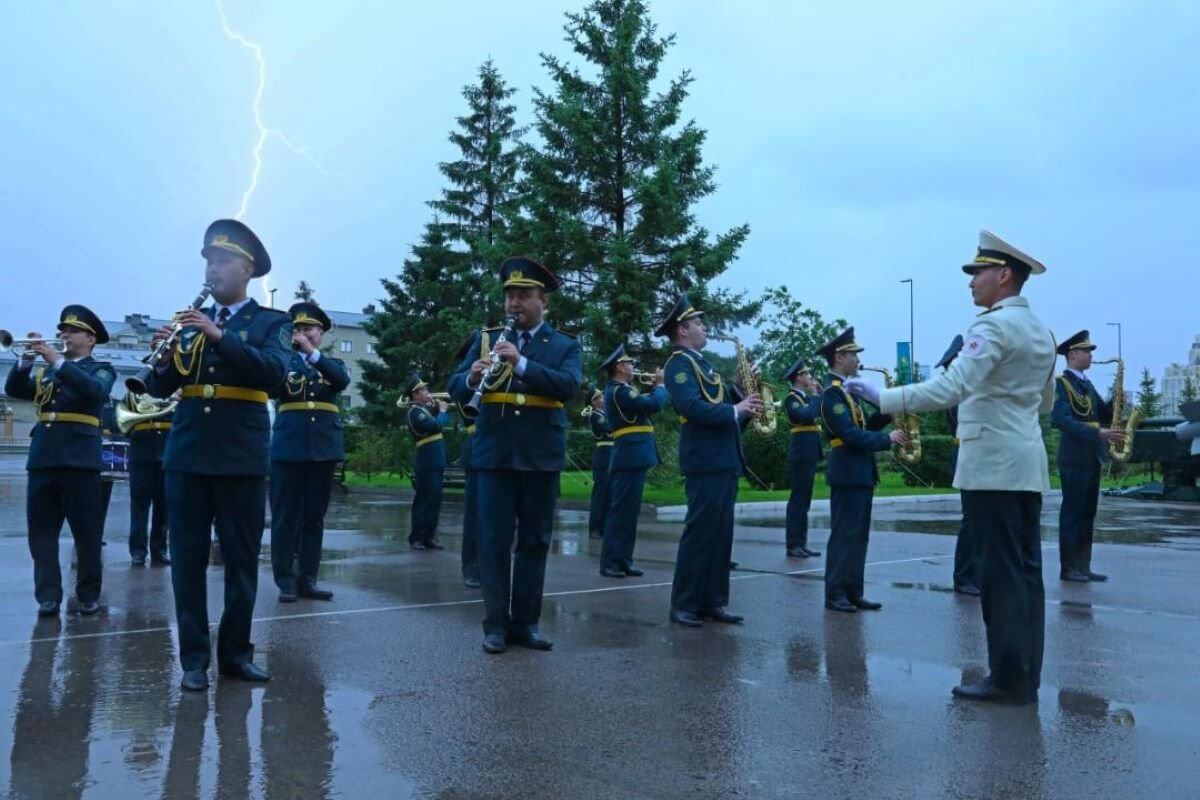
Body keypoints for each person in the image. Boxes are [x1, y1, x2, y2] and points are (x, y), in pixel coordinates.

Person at [847, 230, 1056, 705]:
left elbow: (949, 388)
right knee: (1025, 574)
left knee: (999, 576)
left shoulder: (990, 328)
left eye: (977, 272)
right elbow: (1044, 403)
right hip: (1025, 462)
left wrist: (884, 397)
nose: (970, 282)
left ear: (1004, 275)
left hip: (990, 465)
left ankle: (1006, 679)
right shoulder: (1042, 332)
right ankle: (1025, 675)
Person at [145, 218, 292, 691]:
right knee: (186, 561)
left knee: (241, 562)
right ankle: (192, 660)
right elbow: (158, 387)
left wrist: (219, 335)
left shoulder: (273, 323)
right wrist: (164, 360)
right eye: (209, 260)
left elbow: (273, 375)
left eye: (224, 260)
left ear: (247, 269)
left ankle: (235, 653)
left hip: (241, 457)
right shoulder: (186, 326)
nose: (214, 269)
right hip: (186, 454)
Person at [448, 256, 581, 654]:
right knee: (493, 541)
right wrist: (470, 378)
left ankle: (526, 623)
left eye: (524, 296)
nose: (514, 304)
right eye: (509, 296)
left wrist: (520, 362)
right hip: (494, 455)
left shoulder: (564, 345)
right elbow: (454, 385)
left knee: (536, 542)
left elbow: (568, 386)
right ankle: (494, 625)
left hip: (540, 454)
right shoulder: (486, 338)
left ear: (544, 301)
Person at [4, 305, 116, 616]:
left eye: (73, 330)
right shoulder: (47, 371)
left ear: (91, 338)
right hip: (44, 457)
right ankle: (48, 596)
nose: (64, 334)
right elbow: (13, 389)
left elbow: (93, 392)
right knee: (41, 534)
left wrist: (56, 361)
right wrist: (25, 361)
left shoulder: (102, 368)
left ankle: (89, 594)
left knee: (87, 534)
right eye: (63, 330)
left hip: (80, 460)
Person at [658, 293, 760, 627]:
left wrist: (742, 395)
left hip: (723, 458)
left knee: (721, 535)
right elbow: (693, 408)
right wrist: (735, 408)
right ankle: (684, 604)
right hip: (703, 460)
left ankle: (713, 601)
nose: (704, 328)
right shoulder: (678, 365)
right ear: (682, 330)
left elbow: (722, 410)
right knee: (700, 534)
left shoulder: (704, 364)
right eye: (699, 323)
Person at [817, 328, 906, 613]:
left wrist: (885, 411)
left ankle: (853, 591)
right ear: (839, 356)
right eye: (854, 354)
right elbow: (850, 434)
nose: (857, 359)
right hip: (847, 471)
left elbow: (863, 425)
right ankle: (835, 594)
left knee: (859, 536)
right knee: (844, 535)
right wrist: (887, 439)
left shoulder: (849, 391)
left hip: (860, 472)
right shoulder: (832, 394)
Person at [269, 301, 349, 602]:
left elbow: (340, 382)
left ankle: (308, 579)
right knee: (285, 517)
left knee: (314, 518)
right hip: (289, 448)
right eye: (298, 328)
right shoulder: (282, 362)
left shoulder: (331, 364)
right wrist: (287, 352)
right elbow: (273, 387)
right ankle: (285, 580)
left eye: (310, 329)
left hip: (322, 450)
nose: (303, 333)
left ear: (321, 333)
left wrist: (312, 355)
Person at [1051, 330, 1122, 583]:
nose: (1091, 356)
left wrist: (1116, 400)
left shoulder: (1086, 384)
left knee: (1087, 513)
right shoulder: (1062, 383)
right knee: (1072, 513)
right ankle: (1068, 567)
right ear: (1072, 355)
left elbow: (1101, 414)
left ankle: (1084, 565)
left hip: (1091, 457)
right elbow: (1060, 420)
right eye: (1086, 351)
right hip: (1073, 458)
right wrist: (1096, 431)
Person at [599, 344, 666, 578]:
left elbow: (641, 406)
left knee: (628, 514)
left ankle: (623, 560)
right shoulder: (621, 391)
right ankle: (611, 562)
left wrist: (652, 390)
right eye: (629, 363)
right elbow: (653, 404)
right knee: (621, 513)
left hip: (632, 455)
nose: (633, 367)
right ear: (619, 367)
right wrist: (660, 386)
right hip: (629, 455)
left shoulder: (623, 390)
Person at [938, 335, 979, 596]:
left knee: (978, 519)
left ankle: (973, 574)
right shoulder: (956, 391)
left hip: (972, 453)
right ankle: (964, 577)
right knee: (972, 520)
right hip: (967, 454)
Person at [124, 392, 172, 566]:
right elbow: (123, 423)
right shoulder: (134, 391)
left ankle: (159, 550)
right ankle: (138, 551)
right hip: (142, 450)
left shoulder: (176, 387)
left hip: (168, 449)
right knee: (139, 505)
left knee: (164, 506)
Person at [782, 359, 822, 558]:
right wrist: (815, 397)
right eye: (806, 374)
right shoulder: (792, 399)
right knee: (798, 500)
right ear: (798, 377)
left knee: (805, 500)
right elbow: (805, 416)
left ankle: (801, 543)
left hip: (809, 452)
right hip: (801, 453)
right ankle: (793, 544)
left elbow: (818, 412)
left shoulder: (804, 397)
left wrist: (820, 396)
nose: (810, 377)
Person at [404, 374, 449, 551]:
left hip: (435, 459)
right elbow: (435, 427)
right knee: (424, 500)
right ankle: (416, 537)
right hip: (426, 460)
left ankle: (429, 536)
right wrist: (443, 411)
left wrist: (438, 409)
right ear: (414, 395)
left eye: (425, 389)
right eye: (422, 390)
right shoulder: (415, 412)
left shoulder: (425, 410)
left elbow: (437, 424)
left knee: (434, 500)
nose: (427, 392)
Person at [586, 387, 612, 541]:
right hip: (603, 455)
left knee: (609, 494)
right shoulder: (595, 415)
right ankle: (595, 528)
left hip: (611, 454)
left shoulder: (605, 414)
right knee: (600, 494)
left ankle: (604, 527)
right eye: (599, 397)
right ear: (594, 401)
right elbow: (608, 427)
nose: (603, 399)